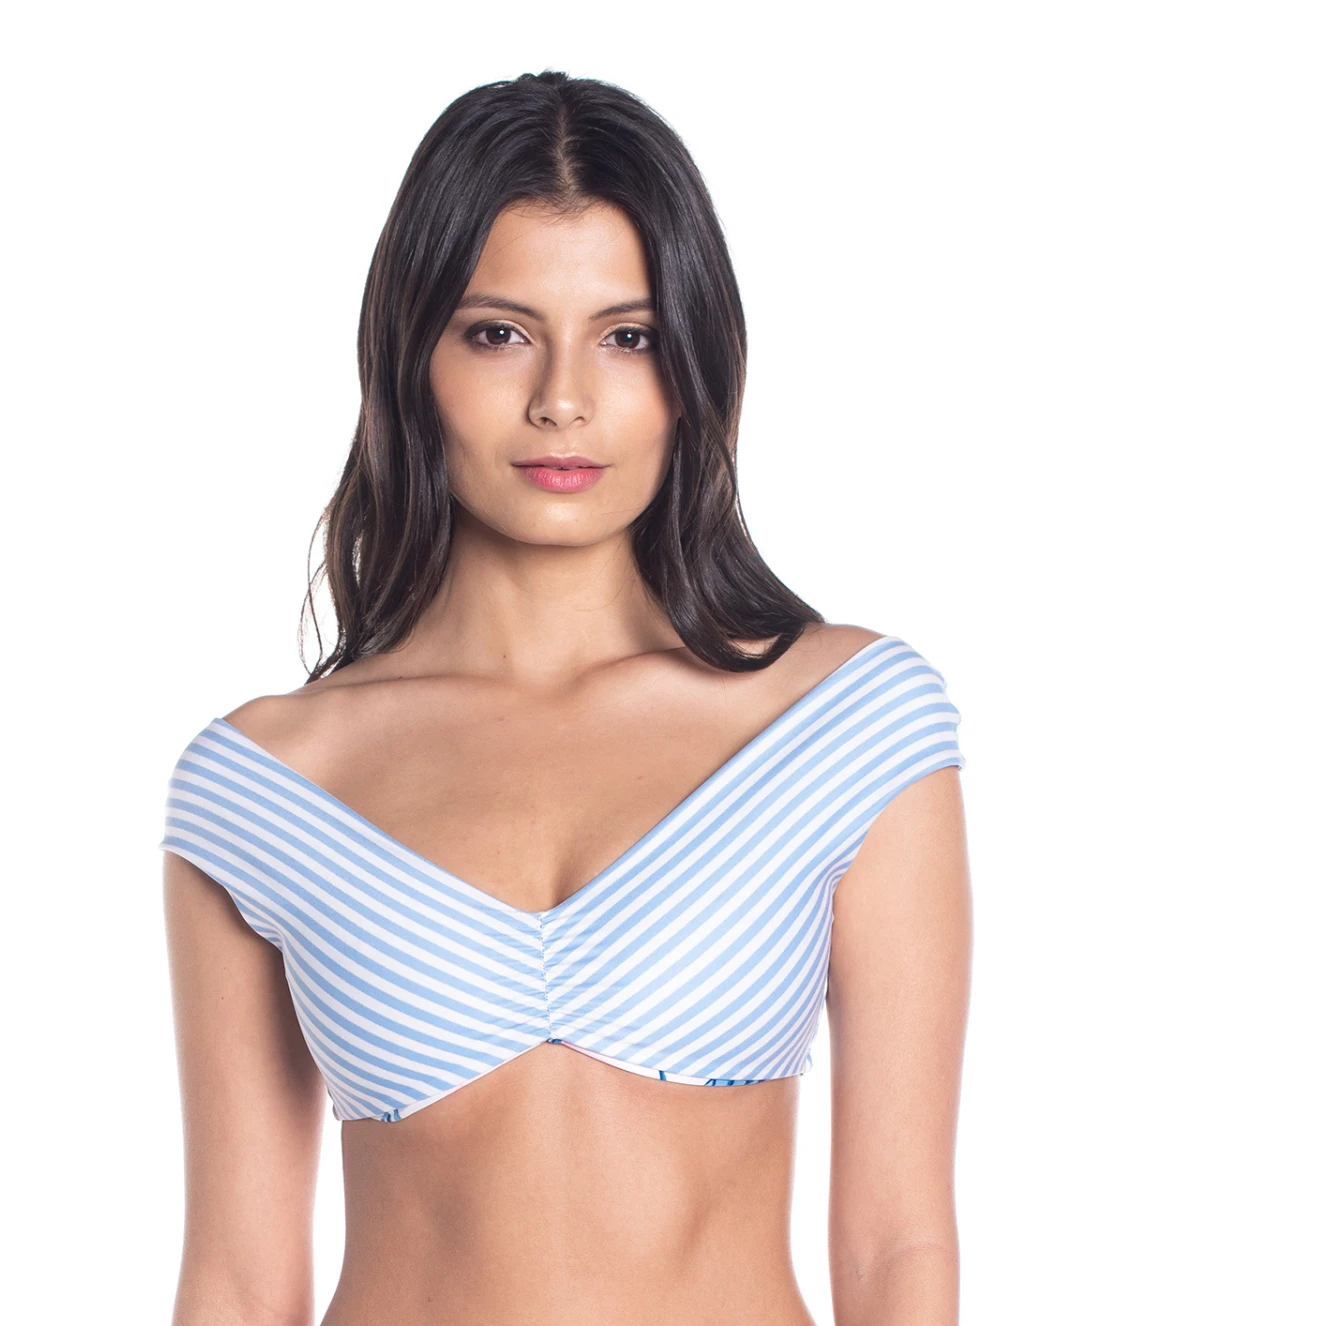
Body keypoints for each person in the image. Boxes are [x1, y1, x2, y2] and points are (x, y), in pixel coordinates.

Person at [160, 70, 971, 1326]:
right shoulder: (266, 785)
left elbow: (895, 1246)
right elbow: (239, 1280)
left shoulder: (847, 727)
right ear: (411, 357)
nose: (563, 399)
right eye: (498, 333)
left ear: (695, 364)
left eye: (627, 336)